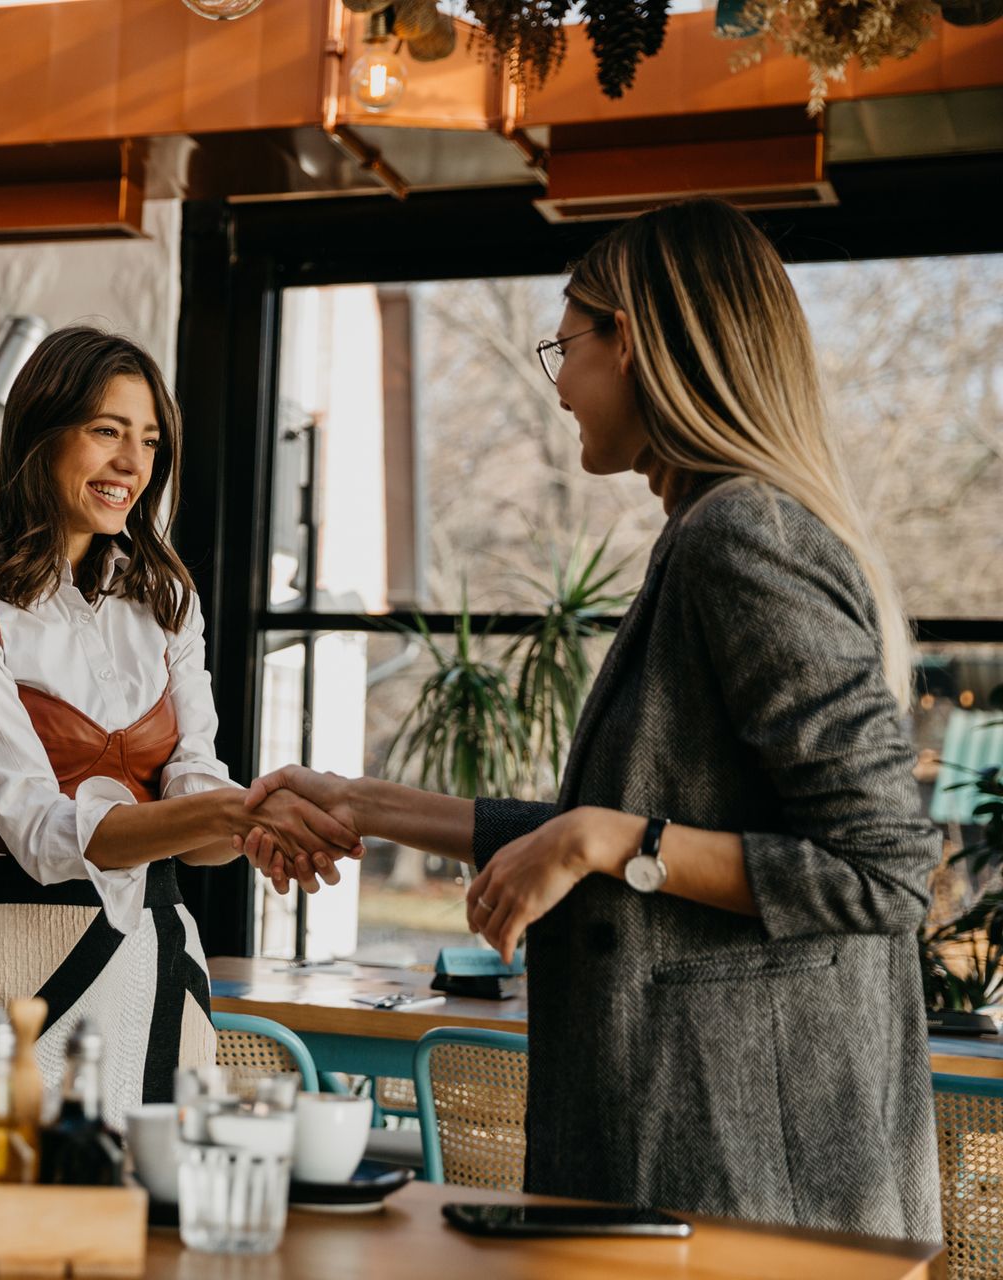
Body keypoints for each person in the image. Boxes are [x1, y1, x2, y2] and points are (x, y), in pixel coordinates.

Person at [245, 198, 941, 1240]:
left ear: (640, 345)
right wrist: (364, 801)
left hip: (753, 1186)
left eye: (565, 345)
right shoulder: (706, 533)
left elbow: (886, 871)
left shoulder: (742, 537)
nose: (560, 380)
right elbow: (611, 823)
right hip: (697, 1161)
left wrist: (609, 837)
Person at [0, 326, 349, 1119]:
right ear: (41, 435)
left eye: (148, 441)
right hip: (21, 973)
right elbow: (44, 838)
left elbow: (207, 827)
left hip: (162, 972)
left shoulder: (167, 604)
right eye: (106, 431)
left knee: (165, 1226)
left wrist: (259, 824)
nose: (132, 464)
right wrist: (229, 810)